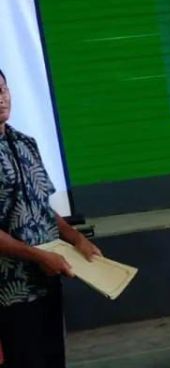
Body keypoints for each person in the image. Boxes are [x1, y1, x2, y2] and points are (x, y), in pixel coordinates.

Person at [0, 67, 102, 368]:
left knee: (54, 358)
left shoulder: (25, 143)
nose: (0, 98)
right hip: (10, 289)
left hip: (48, 277)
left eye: (2, 89)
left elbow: (41, 206)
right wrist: (36, 255)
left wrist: (76, 238)